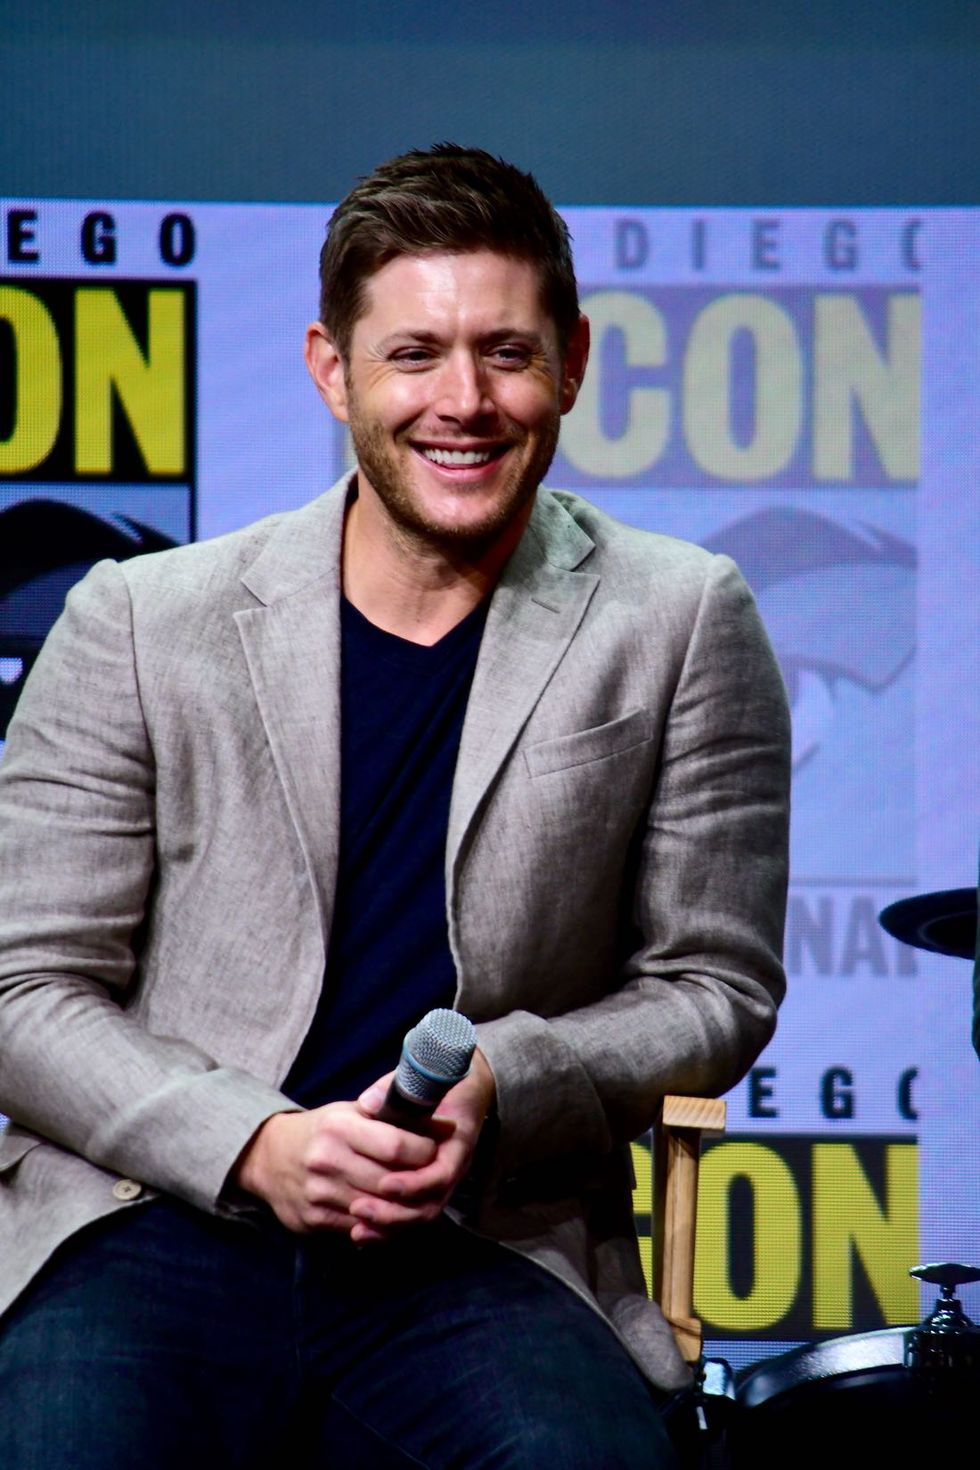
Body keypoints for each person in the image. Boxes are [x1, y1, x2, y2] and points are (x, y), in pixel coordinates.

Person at [0, 145, 791, 1468]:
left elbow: (714, 987)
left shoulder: (680, 617)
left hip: (485, 1247)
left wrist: (506, 1082)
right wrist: (255, 1141)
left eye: (507, 353)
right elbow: (21, 985)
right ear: (334, 369)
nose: (463, 402)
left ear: (571, 364)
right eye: (414, 354)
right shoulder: (139, 619)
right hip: (154, 1215)